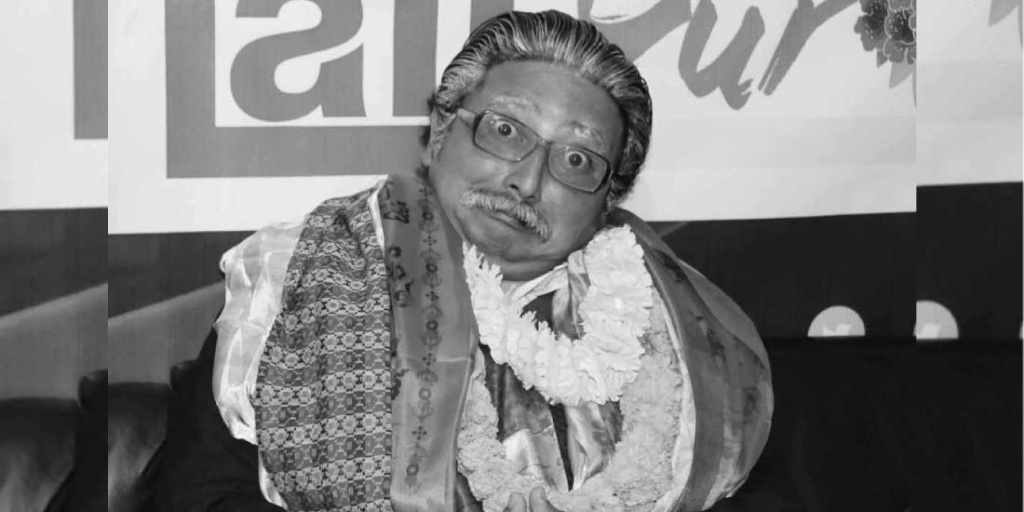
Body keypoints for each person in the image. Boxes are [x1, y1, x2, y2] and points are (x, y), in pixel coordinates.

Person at [157, 10, 773, 512]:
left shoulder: (676, 331)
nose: (527, 180)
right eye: (505, 131)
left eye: (577, 160)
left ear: (608, 200)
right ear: (440, 130)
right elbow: (201, 497)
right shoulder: (311, 276)